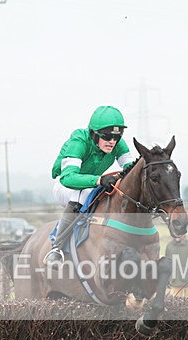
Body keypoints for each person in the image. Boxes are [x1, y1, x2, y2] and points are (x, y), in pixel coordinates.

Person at [44, 105, 136, 265]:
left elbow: (131, 170)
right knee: (83, 193)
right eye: (107, 136)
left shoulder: (117, 144)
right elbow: (68, 178)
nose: (112, 141)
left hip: (90, 185)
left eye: (116, 137)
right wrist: (99, 180)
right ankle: (57, 248)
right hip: (65, 185)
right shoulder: (79, 141)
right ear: (94, 134)